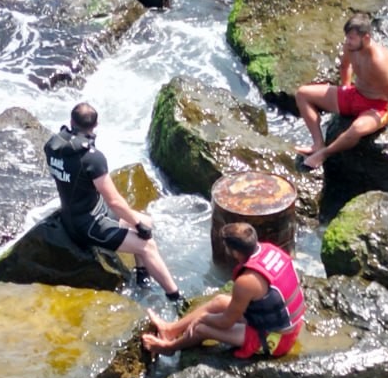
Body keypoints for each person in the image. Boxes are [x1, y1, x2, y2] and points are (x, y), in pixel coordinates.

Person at [44, 102, 185, 308]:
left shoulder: (53, 146)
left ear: (71, 121)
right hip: (87, 225)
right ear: (96, 124)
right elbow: (115, 201)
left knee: (146, 220)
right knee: (147, 244)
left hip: (79, 212)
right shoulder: (92, 158)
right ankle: (176, 299)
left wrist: (139, 222)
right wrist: (138, 226)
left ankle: (142, 276)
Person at [142, 222, 305, 359]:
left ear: (234, 252)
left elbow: (226, 322)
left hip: (277, 338)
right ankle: (170, 330)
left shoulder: (246, 282)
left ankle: (169, 347)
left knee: (201, 329)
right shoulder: (270, 249)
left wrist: (202, 319)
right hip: (284, 322)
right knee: (219, 301)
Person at [293, 11, 388, 171]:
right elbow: (345, 66)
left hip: (377, 106)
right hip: (355, 93)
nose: (347, 41)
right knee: (302, 94)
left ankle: (324, 154)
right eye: (347, 37)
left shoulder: (378, 62)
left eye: (351, 38)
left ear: (366, 38)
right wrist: (345, 87)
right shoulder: (351, 48)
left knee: (356, 129)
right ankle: (317, 144)